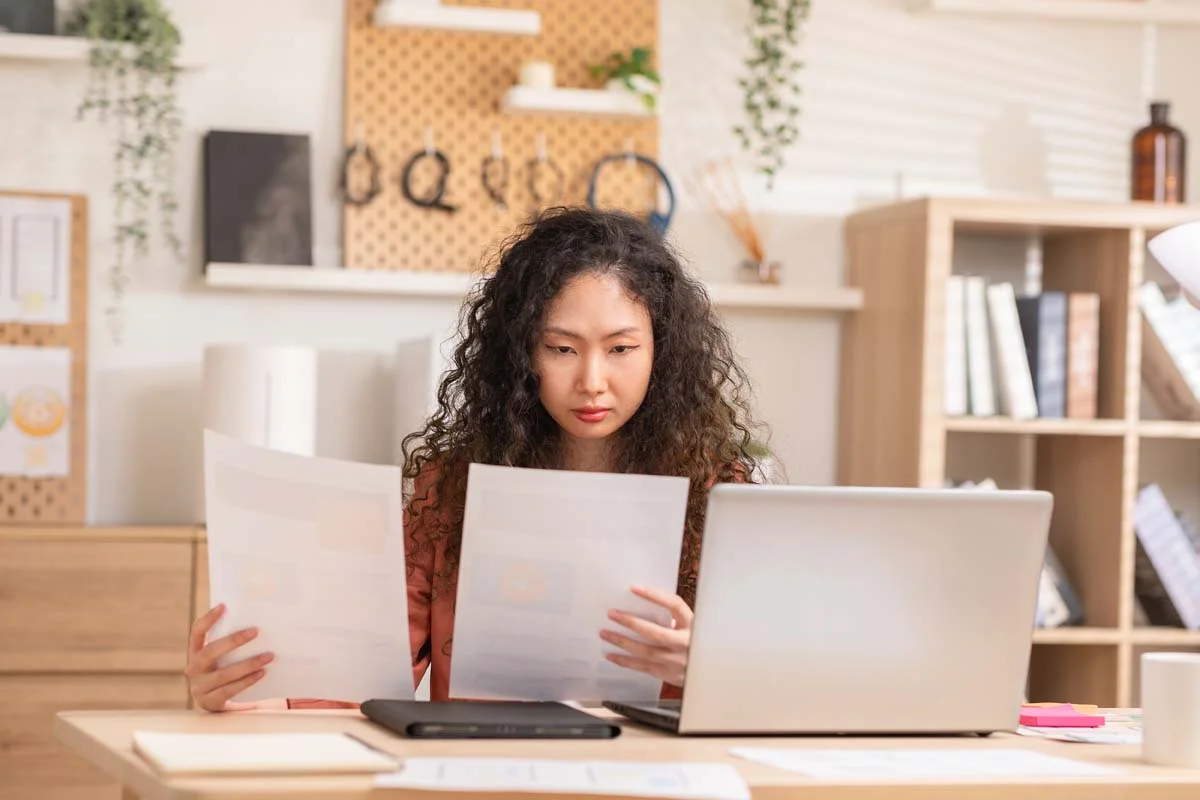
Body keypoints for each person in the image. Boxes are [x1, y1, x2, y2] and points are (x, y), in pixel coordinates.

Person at [185, 207, 768, 712]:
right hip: (478, 769)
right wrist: (242, 691)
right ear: (523, 353)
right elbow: (363, 671)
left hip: (650, 776)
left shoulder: (719, 492)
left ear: (661, 351)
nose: (592, 380)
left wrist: (711, 668)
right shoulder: (450, 486)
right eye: (561, 348)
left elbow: (779, 684)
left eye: (621, 349)